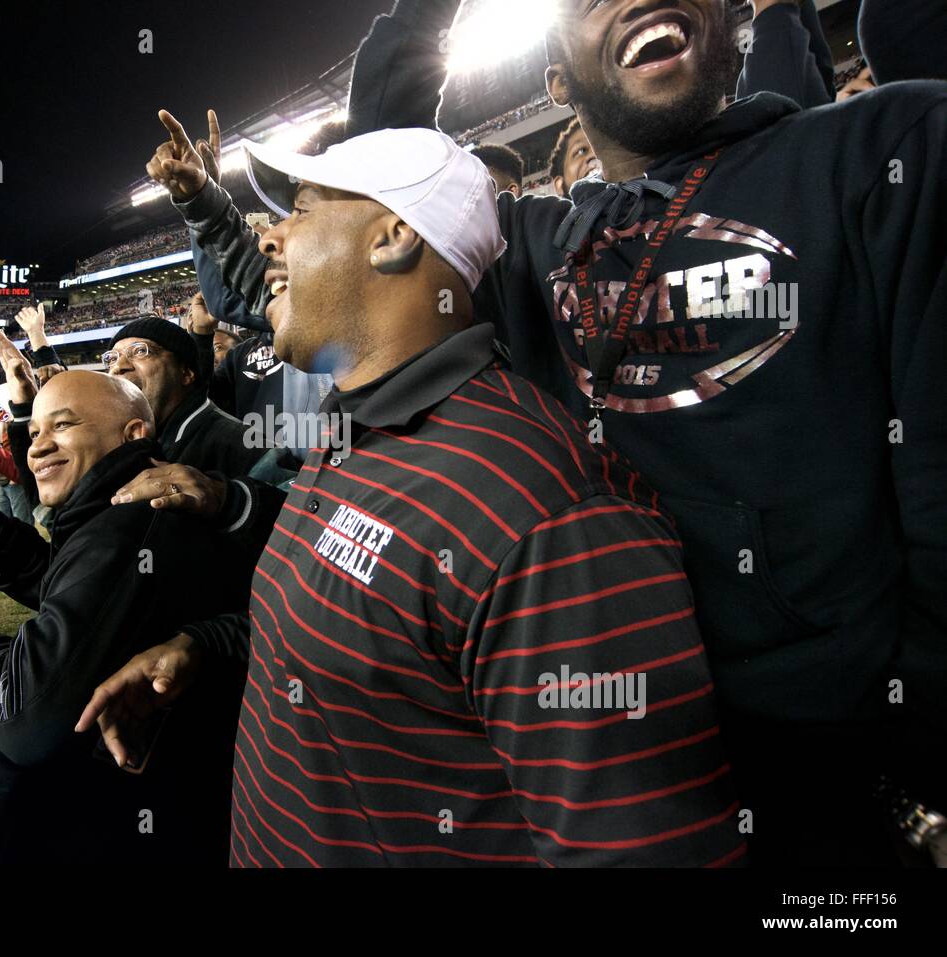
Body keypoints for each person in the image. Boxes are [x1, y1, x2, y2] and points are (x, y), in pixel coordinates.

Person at [176, 0, 947, 866]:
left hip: (827, 770)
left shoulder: (878, 151)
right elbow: (383, 168)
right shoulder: (534, 246)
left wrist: (912, 748)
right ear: (557, 76)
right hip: (598, 733)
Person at [106, 122, 746, 867]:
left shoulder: (547, 514)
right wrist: (206, 648)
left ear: (394, 238)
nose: (271, 240)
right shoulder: (357, 427)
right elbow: (371, 639)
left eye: (301, 211)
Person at [0, 370, 261, 866]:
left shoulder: (125, 527)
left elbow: (27, 713)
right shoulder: (117, 513)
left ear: (133, 434)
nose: (37, 447)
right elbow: (87, 599)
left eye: (63, 425)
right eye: (35, 431)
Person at [103, 316, 264, 478]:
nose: (118, 366)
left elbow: (281, 486)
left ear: (186, 373)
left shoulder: (248, 447)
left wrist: (225, 492)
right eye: (112, 358)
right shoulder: (116, 442)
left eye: (140, 351)